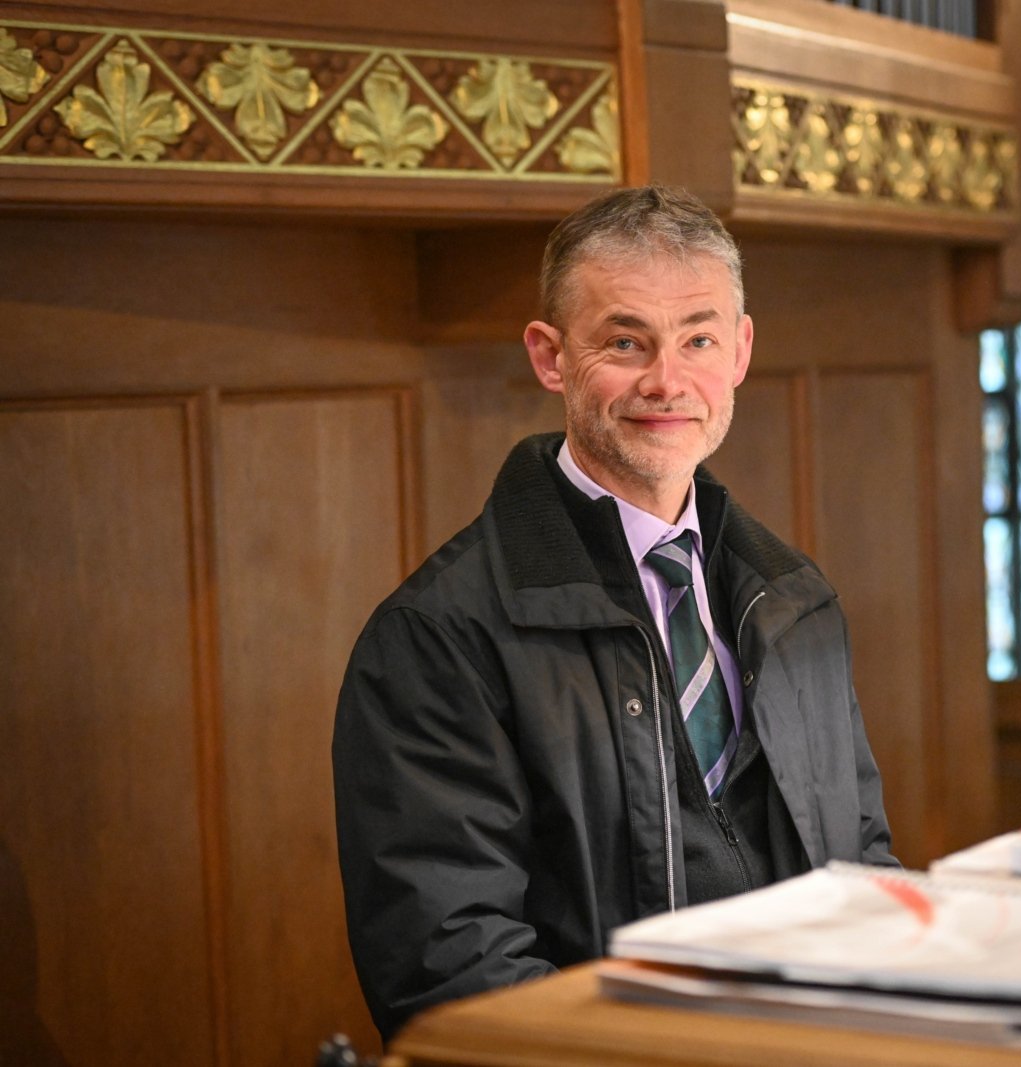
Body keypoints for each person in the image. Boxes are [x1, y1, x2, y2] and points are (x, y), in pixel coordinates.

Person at [332, 185, 896, 1042]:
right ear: (551, 357)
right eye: (625, 342)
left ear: (740, 350)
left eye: (698, 338)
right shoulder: (436, 636)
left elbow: (861, 865)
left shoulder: (797, 600)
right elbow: (452, 967)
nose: (667, 380)